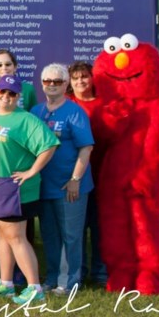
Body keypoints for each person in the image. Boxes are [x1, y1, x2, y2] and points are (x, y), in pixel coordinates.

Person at [0, 75, 58, 305]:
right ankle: (6, 283)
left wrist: (32, 170)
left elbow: (49, 145)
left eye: (12, 93)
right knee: (1, 235)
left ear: (18, 96)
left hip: (13, 186)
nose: (6, 97)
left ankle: (34, 287)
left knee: (16, 236)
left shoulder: (25, 120)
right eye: (2, 92)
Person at [31, 64, 94, 295]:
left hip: (70, 185)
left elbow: (86, 148)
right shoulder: (36, 111)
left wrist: (76, 178)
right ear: (42, 83)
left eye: (57, 81)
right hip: (44, 185)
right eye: (47, 81)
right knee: (49, 234)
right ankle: (53, 277)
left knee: (71, 235)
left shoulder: (75, 111)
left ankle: (70, 282)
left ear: (66, 84)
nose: (52, 85)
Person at [67, 60, 106, 286]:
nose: (81, 81)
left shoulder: (104, 104)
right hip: (76, 175)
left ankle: (101, 272)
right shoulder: (67, 104)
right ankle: (79, 271)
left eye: (84, 76)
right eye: (76, 78)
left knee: (100, 226)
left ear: (92, 79)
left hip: (103, 172)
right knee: (76, 227)